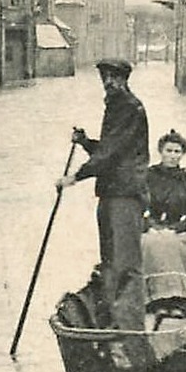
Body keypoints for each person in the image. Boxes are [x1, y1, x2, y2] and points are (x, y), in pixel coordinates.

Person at [56, 58, 148, 332]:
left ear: (124, 79)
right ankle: (111, 320)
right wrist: (85, 142)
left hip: (125, 194)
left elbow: (111, 153)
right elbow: (107, 148)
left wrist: (75, 177)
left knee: (125, 262)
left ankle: (129, 327)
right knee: (109, 261)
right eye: (105, 77)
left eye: (114, 77)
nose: (108, 82)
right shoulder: (116, 106)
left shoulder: (129, 107)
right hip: (111, 193)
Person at [141, 129, 186, 319]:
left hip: (177, 227)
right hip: (151, 226)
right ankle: (157, 301)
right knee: (151, 242)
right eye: (169, 151)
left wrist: (178, 228)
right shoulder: (148, 175)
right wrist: (149, 224)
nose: (173, 156)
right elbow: (138, 205)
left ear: (182, 154)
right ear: (161, 151)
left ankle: (178, 301)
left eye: (177, 152)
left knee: (175, 243)